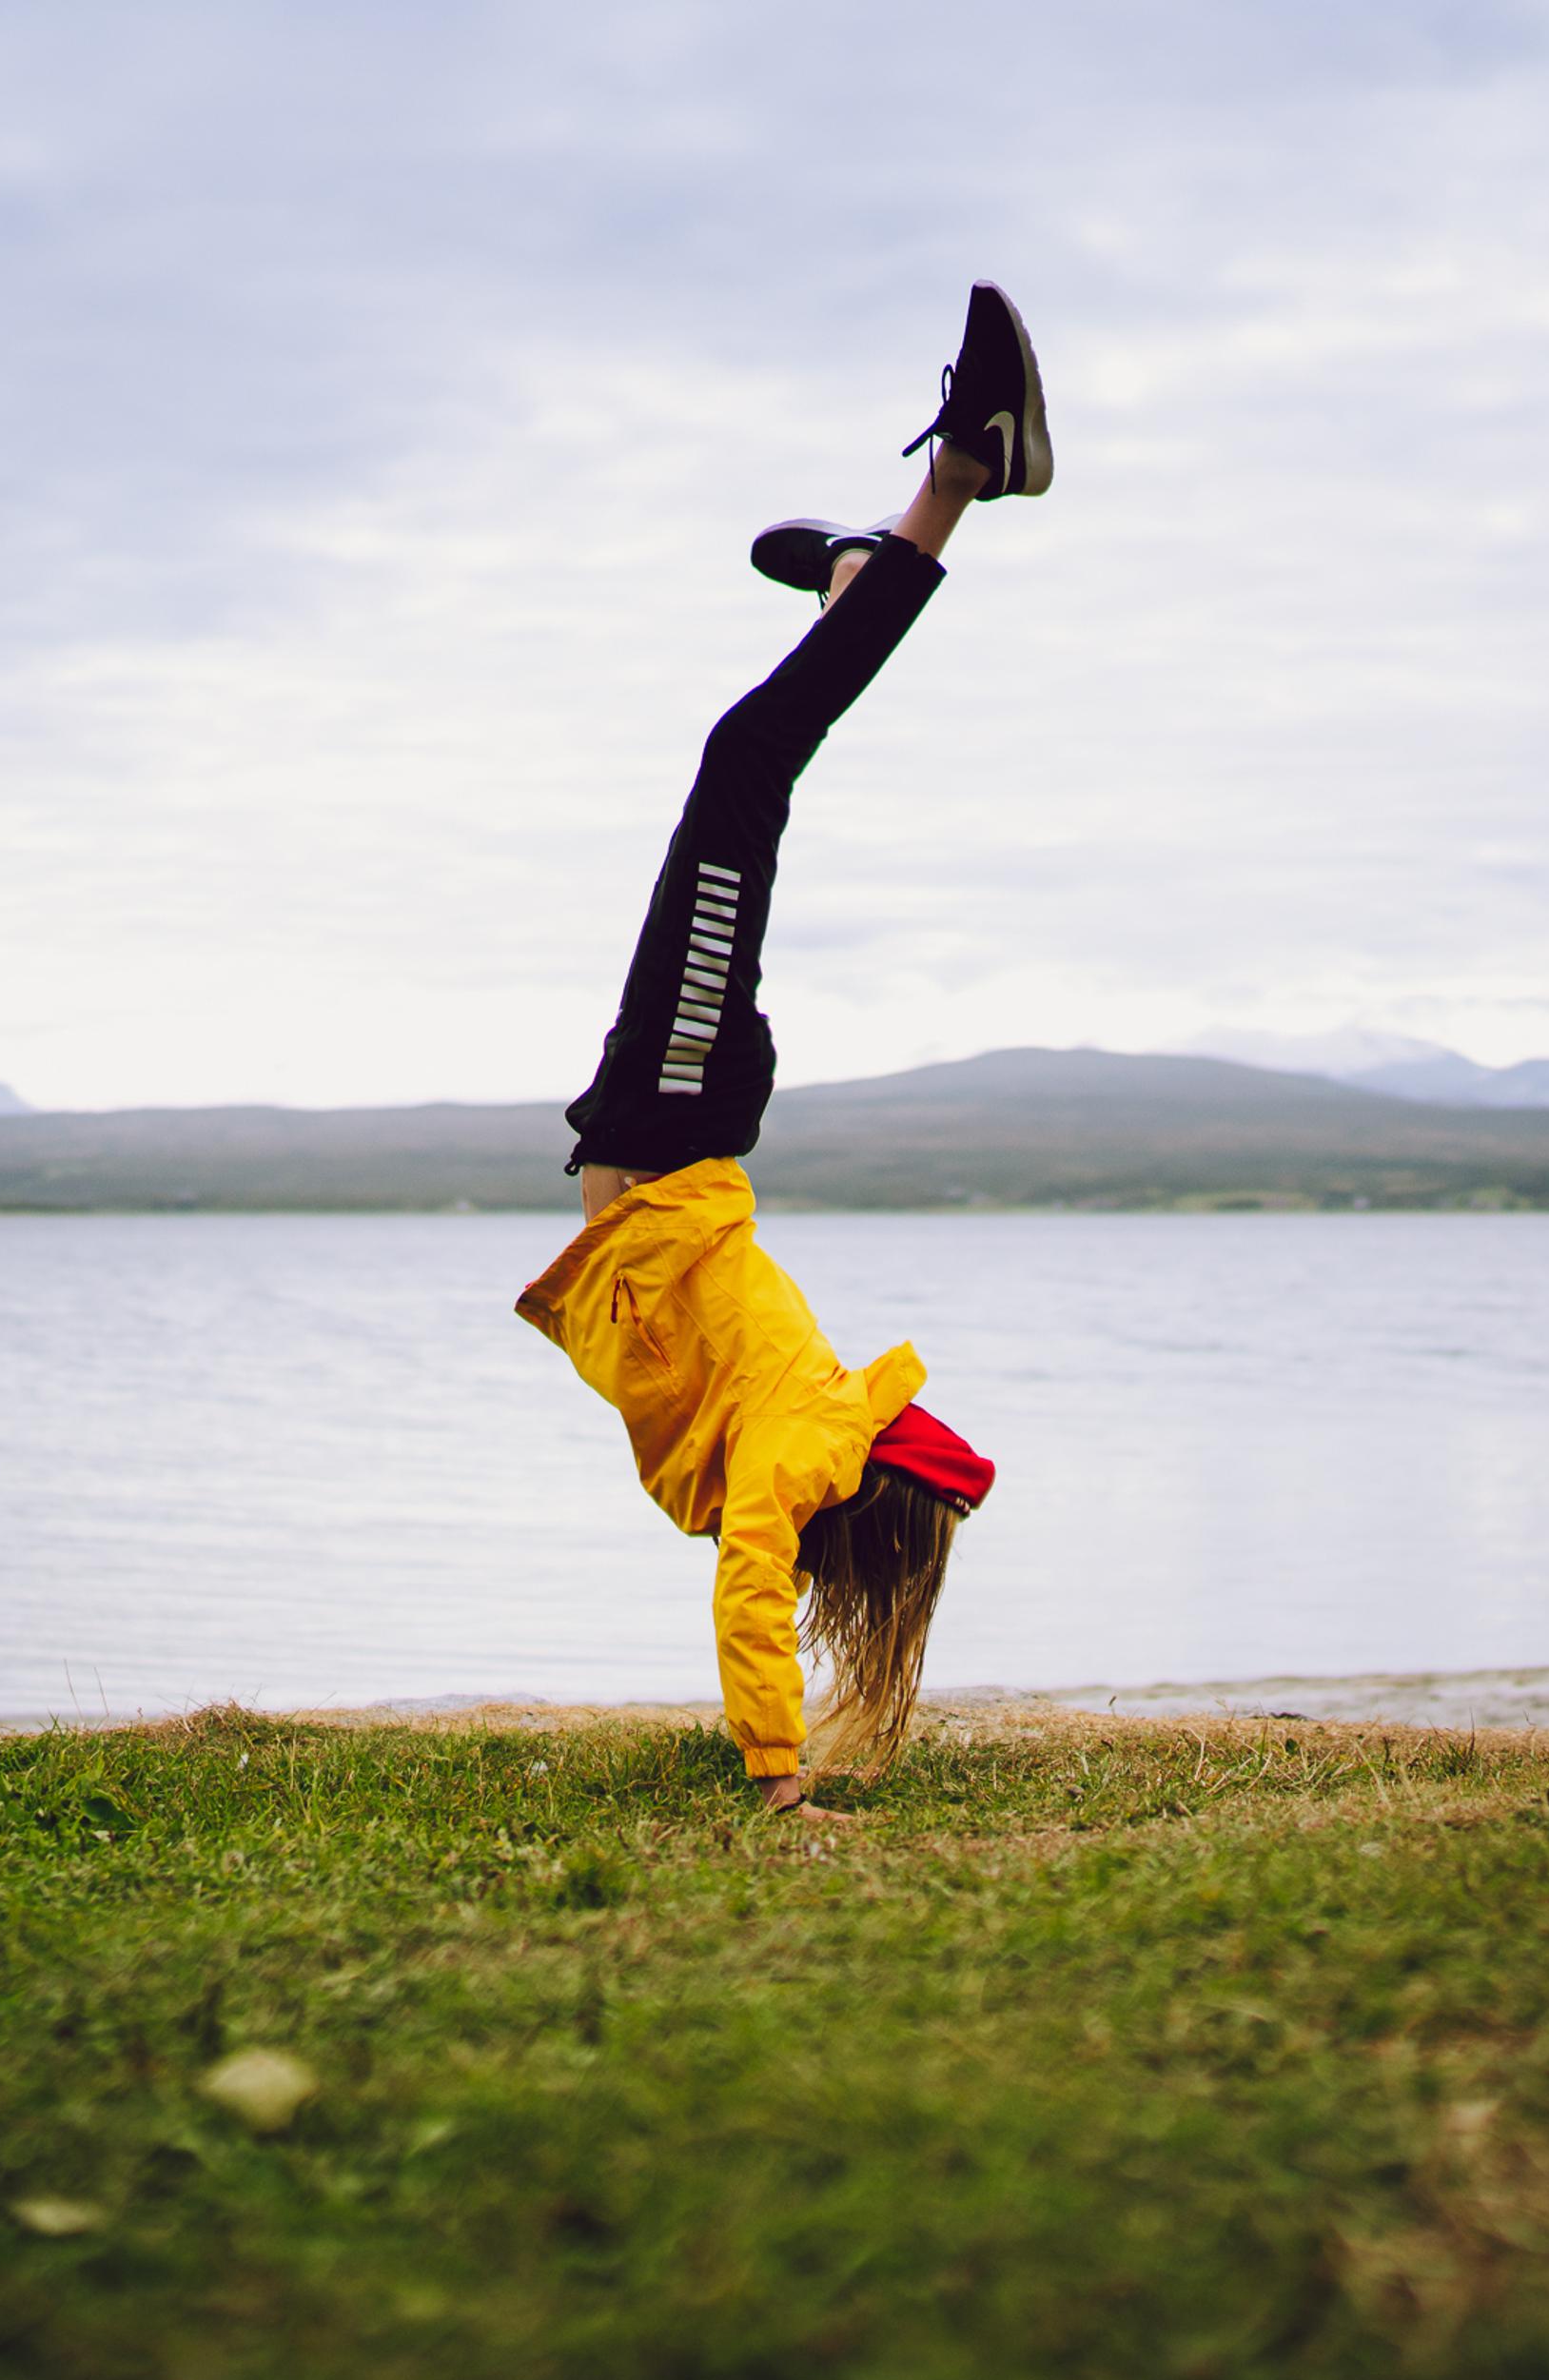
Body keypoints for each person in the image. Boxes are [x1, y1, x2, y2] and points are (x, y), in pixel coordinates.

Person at [516, 284, 1049, 1822]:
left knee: (747, 775)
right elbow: (755, 1577)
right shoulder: (809, 1426)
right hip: (676, 1117)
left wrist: (773, 1772)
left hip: (675, 1110)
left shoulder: (806, 1441)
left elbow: (755, 1593)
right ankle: (936, 503)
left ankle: (901, 540)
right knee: (745, 772)